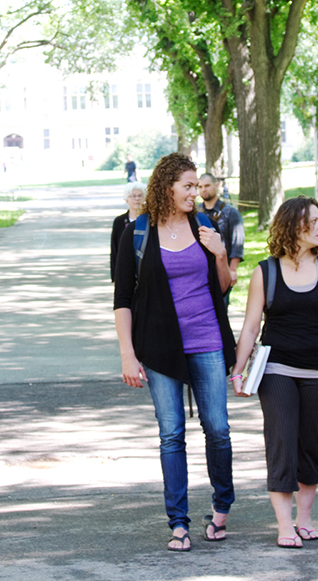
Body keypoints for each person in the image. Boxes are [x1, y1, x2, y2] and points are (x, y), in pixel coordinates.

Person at [112, 152, 237, 552]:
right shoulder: (137, 232)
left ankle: (221, 506)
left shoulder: (204, 225)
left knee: (217, 428)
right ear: (167, 187)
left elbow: (222, 287)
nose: (195, 191)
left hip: (207, 340)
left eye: (197, 184)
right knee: (172, 433)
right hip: (160, 346)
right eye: (187, 185)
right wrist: (128, 355)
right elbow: (122, 299)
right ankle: (178, 522)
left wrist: (219, 254)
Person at [230, 196, 318, 549]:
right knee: (281, 440)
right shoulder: (265, 272)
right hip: (277, 369)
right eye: (312, 220)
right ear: (293, 226)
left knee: (309, 442)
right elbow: (251, 325)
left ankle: (304, 518)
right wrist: (238, 370)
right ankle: (285, 525)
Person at [197, 173, 245, 303]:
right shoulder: (195, 212)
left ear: (216, 185)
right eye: (200, 187)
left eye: (207, 185)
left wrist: (232, 270)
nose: (203, 189)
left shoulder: (231, 212)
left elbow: (237, 244)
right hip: (200, 273)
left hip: (222, 271)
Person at [111, 181, 147, 281]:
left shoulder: (150, 220)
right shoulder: (119, 221)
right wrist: (115, 277)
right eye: (133, 196)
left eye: (140, 195)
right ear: (127, 199)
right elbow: (114, 250)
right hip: (124, 269)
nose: (137, 199)